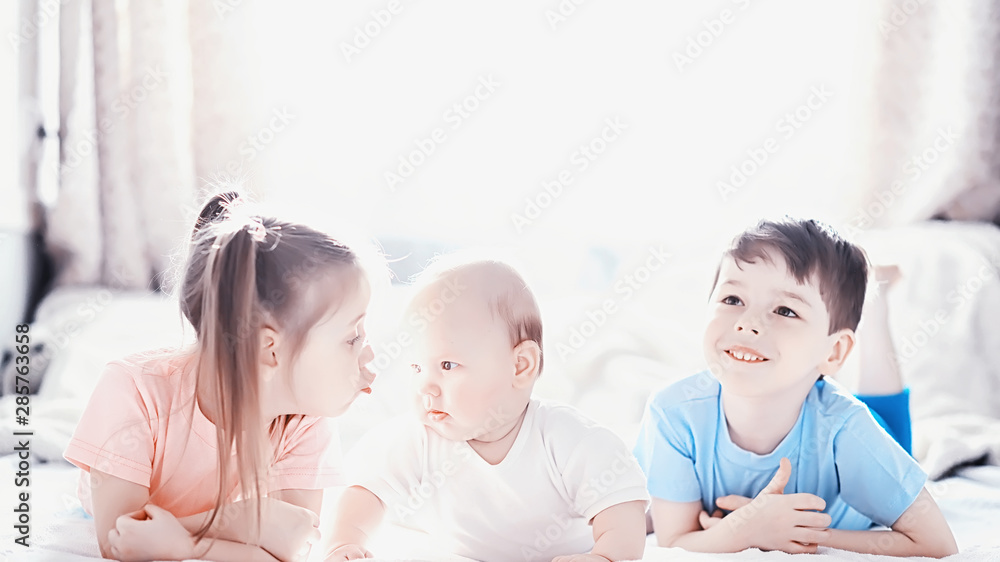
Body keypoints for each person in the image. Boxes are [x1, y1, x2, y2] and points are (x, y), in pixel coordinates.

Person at [64, 192, 378, 561]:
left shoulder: (303, 420)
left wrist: (188, 544)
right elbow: (122, 538)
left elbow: (290, 550)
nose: (370, 355)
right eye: (352, 337)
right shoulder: (133, 389)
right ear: (269, 348)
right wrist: (251, 521)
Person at [634, 218, 957, 557]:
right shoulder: (673, 413)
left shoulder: (851, 432)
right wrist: (744, 529)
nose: (747, 323)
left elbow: (937, 544)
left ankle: (875, 303)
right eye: (733, 299)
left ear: (833, 352)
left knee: (888, 426)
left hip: (865, 427)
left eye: (785, 310)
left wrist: (791, 535)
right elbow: (675, 541)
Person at [325, 256, 649, 562]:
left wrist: (605, 556)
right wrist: (345, 543)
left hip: (568, 549)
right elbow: (365, 490)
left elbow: (622, 504)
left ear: (520, 366)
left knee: (645, 518)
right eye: (416, 367)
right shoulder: (418, 439)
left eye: (447, 365)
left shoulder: (566, 440)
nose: (425, 387)